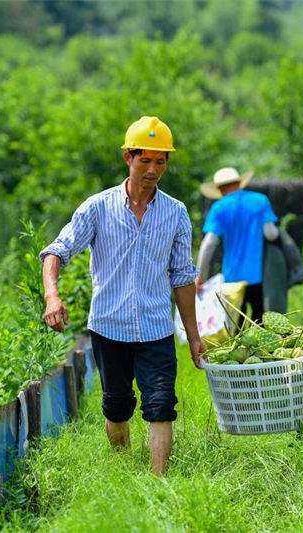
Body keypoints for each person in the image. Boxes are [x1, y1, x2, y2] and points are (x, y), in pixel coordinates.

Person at [41, 116, 205, 476]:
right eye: (145, 160)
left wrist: (193, 336)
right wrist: (52, 295)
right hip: (108, 327)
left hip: (156, 328)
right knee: (116, 407)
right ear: (127, 158)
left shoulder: (176, 213)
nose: (153, 170)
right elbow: (57, 251)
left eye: (160, 161)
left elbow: (182, 277)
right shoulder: (97, 207)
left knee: (161, 405)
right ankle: (123, 470)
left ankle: (159, 483)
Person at [196, 167, 279, 324]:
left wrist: (199, 275)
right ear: (239, 183)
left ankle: (238, 341)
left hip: (232, 277)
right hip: (258, 275)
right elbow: (271, 234)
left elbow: (209, 243)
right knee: (260, 321)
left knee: (235, 325)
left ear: (220, 189)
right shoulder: (260, 200)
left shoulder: (219, 207)